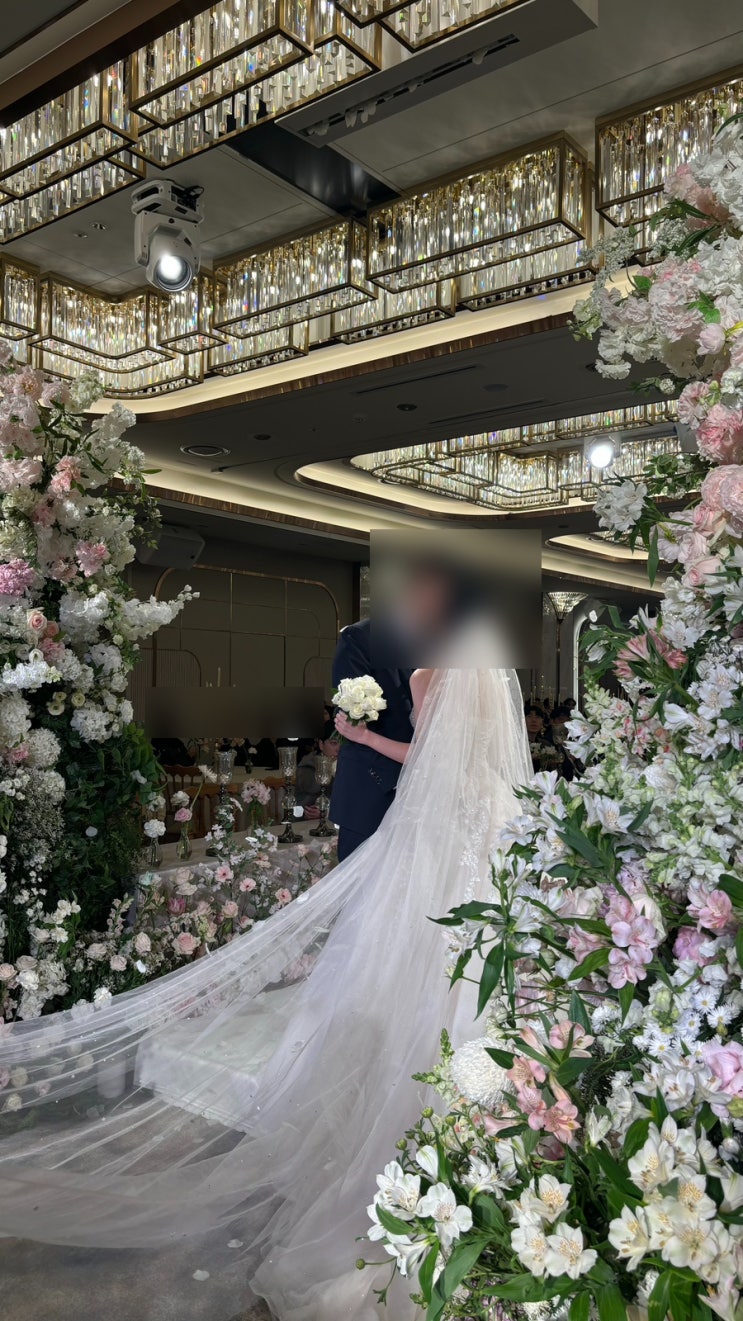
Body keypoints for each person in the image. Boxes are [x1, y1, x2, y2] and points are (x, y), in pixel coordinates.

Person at [0, 657, 531, 1321]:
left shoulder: (431, 675)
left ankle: (421, 1152)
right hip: (487, 839)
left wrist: (364, 739)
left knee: (408, 984)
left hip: (438, 846)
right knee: (465, 990)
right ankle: (480, 1151)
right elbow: (474, 769)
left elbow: (430, 759)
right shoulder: (496, 678)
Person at [328, 618, 415, 861]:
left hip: (421, 790)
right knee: (360, 879)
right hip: (369, 791)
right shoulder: (359, 637)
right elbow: (347, 711)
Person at [295, 721, 341, 815]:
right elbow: (306, 805)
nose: (339, 749)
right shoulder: (308, 767)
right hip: (308, 820)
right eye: (334, 743)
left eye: (343, 744)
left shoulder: (347, 763)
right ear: (321, 744)